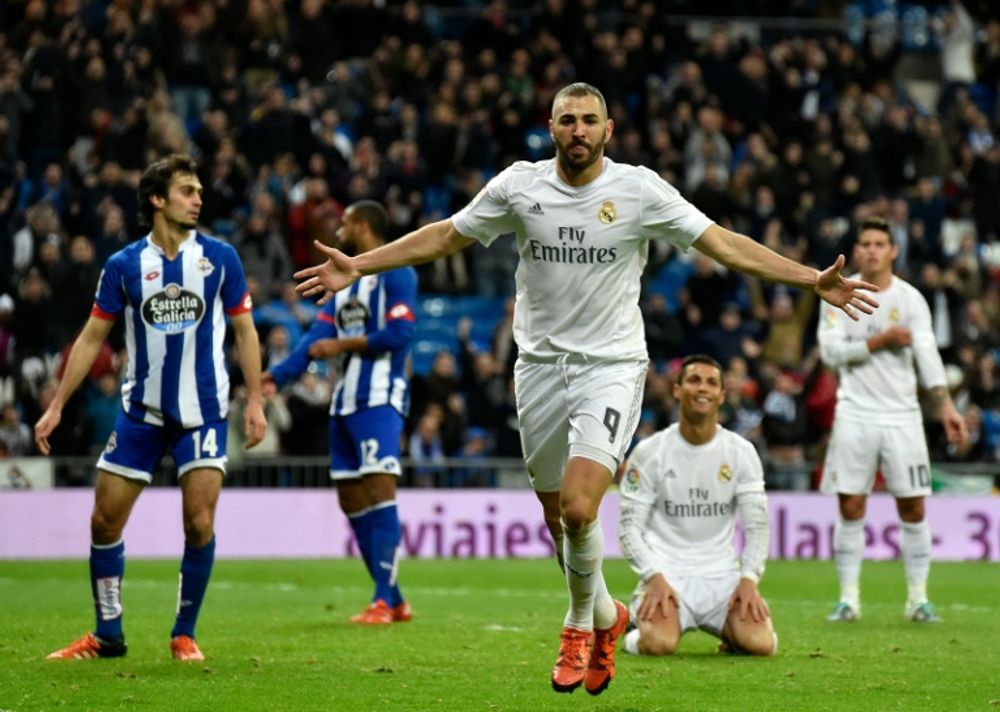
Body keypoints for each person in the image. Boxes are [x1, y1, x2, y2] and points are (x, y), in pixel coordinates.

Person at [293, 83, 877, 695]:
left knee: (579, 506)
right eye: (567, 120)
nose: (578, 130)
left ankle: (577, 627)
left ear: (608, 130)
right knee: (559, 520)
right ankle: (607, 617)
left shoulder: (639, 189)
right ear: (551, 128)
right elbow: (445, 235)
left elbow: (723, 244)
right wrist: (360, 264)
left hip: (612, 366)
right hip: (538, 369)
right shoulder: (519, 186)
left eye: (589, 120)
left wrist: (811, 278)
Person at [36, 154, 268, 661]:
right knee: (103, 522)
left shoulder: (221, 258)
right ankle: (108, 634)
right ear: (157, 200)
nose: (198, 198)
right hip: (140, 413)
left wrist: (255, 400)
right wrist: (56, 404)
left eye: (199, 190)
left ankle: (184, 633)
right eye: (187, 190)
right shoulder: (122, 266)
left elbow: (246, 331)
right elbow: (92, 335)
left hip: (203, 411)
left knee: (199, 523)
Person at [263, 200, 417, 624]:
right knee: (351, 499)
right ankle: (396, 599)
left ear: (365, 227)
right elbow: (316, 336)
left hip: (380, 400)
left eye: (346, 223)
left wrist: (341, 347)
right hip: (344, 402)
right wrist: (276, 377)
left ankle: (382, 601)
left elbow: (400, 333)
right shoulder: (345, 283)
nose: (339, 230)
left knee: (380, 492)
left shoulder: (397, 272)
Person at [817, 217, 968, 624]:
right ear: (857, 249)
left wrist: (947, 407)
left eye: (879, 243)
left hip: (903, 415)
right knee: (850, 504)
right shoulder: (838, 293)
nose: (870, 250)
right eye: (864, 243)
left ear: (893, 250)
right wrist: (879, 341)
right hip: (854, 412)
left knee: (914, 507)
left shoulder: (911, 300)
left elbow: (928, 357)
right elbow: (830, 354)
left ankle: (918, 599)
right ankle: (848, 598)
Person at [618, 355, 776, 658]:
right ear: (677, 390)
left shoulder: (741, 452)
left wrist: (749, 579)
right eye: (693, 380)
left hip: (721, 577)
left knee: (762, 645)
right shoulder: (650, 452)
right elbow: (628, 528)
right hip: (667, 574)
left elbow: (757, 526)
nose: (702, 388)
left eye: (711, 382)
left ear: (722, 395)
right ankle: (630, 630)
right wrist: (653, 576)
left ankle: (734, 636)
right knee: (659, 645)